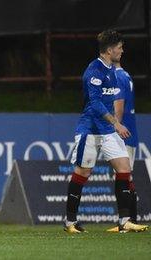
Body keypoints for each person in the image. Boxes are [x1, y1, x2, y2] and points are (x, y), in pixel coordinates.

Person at [64, 30, 147, 233]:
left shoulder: (112, 71)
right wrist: (116, 123)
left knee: (124, 169)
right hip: (90, 129)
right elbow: (94, 104)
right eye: (119, 47)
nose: (122, 50)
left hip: (108, 131)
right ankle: (70, 222)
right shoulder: (93, 71)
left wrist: (113, 125)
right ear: (110, 50)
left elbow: (113, 101)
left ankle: (124, 221)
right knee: (83, 172)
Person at [106, 62, 140, 232]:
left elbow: (118, 105)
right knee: (125, 176)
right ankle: (130, 220)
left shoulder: (117, 76)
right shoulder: (125, 74)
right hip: (129, 131)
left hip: (123, 133)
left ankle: (128, 221)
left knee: (123, 176)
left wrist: (115, 127)